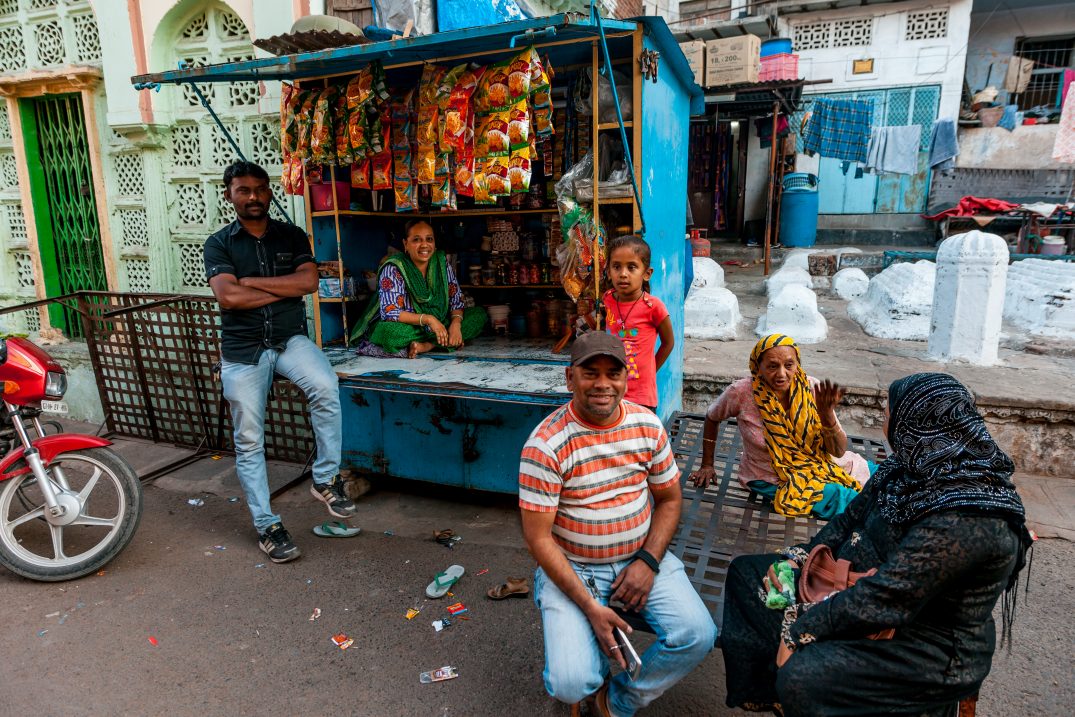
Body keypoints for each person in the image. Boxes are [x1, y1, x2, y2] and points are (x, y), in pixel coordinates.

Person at [721, 373, 1033, 716]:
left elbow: (887, 599)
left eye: (888, 414)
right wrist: (797, 560)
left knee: (804, 676)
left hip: (924, 644)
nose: (884, 422)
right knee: (749, 577)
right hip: (854, 588)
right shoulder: (907, 466)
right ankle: (775, 697)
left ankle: (797, 691)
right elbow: (849, 518)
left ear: (916, 422)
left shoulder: (969, 520)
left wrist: (801, 629)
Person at [519, 331, 716, 717]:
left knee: (697, 634)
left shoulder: (647, 425)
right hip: (572, 565)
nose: (603, 384)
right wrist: (591, 608)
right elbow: (538, 539)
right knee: (570, 682)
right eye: (590, 373)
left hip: (641, 557)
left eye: (614, 373)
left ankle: (617, 700)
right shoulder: (545, 444)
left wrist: (648, 561)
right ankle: (589, 680)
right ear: (569, 378)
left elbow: (670, 500)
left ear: (628, 378)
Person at [204, 161, 355, 564]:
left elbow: (307, 283)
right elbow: (229, 298)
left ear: (270, 192)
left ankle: (326, 478)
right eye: (243, 190)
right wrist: (279, 290)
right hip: (243, 349)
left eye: (259, 189)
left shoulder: (290, 235)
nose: (253, 196)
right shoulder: (218, 244)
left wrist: (249, 282)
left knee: (325, 386)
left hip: (290, 340)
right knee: (249, 439)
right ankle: (267, 525)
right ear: (229, 195)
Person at [690, 334, 867, 519]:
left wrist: (827, 416)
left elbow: (838, 451)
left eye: (789, 365)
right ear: (758, 368)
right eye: (772, 366)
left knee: (876, 476)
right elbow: (712, 417)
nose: (782, 374)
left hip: (821, 464)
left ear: (798, 364)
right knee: (845, 499)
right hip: (769, 475)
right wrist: (707, 465)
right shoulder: (741, 393)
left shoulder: (812, 388)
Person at [351, 220, 486, 358]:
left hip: (441, 323)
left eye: (429, 239)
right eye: (416, 239)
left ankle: (427, 345)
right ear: (405, 244)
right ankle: (443, 341)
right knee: (388, 333)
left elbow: (456, 300)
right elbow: (390, 313)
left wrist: (456, 325)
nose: (424, 245)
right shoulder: (394, 267)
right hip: (409, 326)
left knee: (478, 315)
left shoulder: (441, 263)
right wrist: (429, 319)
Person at [603, 235, 674, 412]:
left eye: (632, 267)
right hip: (612, 391)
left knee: (641, 438)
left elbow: (668, 343)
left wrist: (651, 371)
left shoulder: (653, 307)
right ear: (608, 271)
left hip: (642, 396)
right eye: (616, 267)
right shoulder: (608, 299)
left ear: (647, 273)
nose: (623, 274)